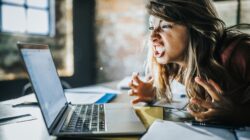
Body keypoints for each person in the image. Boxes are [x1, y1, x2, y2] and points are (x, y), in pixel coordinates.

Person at [128, 0, 250, 124]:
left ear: (195, 27)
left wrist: (237, 113)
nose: (152, 36)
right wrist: (154, 92)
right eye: (151, 27)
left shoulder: (241, 55)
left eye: (164, 26)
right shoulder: (175, 65)